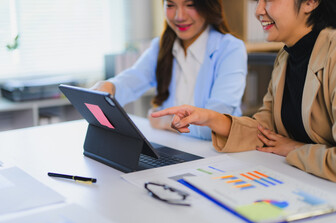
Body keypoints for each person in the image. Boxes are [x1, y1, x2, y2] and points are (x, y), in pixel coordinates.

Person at [152, 0, 336, 182]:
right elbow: (264, 131)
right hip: (300, 180)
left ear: (310, 2)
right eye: (257, 1)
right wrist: (209, 118)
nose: (258, 11)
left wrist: (295, 149)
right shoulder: (286, 57)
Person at [92, 0, 247, 140]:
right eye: (171, 5)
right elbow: (134, 78)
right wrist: (110, 86)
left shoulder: (230, 48)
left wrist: (165, 122)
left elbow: (215, 123)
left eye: (190, 5)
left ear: (208, 6)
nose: (179, 16)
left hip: (215, 152)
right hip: (174, 143)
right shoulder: (162, 46)